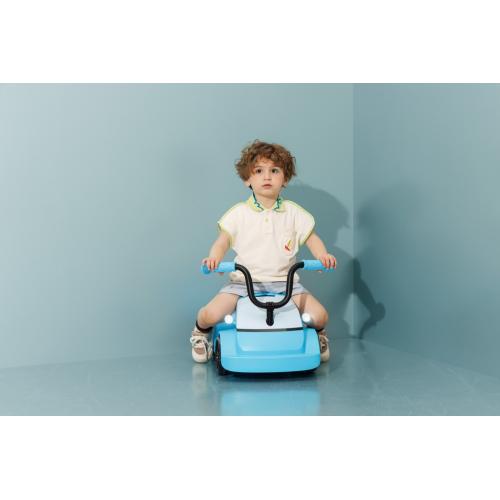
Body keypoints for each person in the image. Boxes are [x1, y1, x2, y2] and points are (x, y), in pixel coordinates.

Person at [191, 140, 337, 363]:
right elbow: (222, 242)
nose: (267, 177)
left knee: (320, 316)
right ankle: (200, 333)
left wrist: (322, 257)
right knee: (211, 314)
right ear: (247, 179)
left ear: (285, 179)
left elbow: (312, 239)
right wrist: (214, 259)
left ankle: (319, 335)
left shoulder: (293, 213)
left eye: (274, 171)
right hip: (243, 284)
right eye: (259, 171)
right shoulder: (239, 214)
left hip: (287, 284)